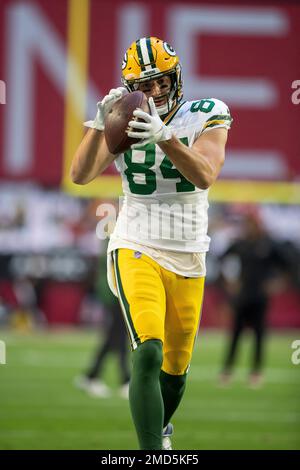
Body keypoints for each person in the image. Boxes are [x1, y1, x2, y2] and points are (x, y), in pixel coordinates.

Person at [71, 36, 232, 450]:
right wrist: (97, 126)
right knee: (147, 351)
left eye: (162, 81)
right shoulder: (126, 116)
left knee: (176, 372)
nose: (156, 90)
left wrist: (165, 136)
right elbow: (81, 175)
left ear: (175, 76)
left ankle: (159, 432)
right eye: (147, 83)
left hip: (189, 249)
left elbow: (205, 174)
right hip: (135, 241)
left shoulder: (206, 113)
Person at [219, 209, 290, 388]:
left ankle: (256, 372)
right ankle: (228, 370)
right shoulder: (241, 244)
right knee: (235, 334)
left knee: (259, 335)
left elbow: (287, 264)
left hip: (260, 297)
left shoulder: (268, 244)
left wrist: (278, 282)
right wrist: (229, 281)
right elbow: (222, 259)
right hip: (242, 297)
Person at [75, 253, 130, 398]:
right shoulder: (116, 235)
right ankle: (125, 380)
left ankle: (91, 376)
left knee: (114, 336)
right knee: (119, 334)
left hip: (114, 289)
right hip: (115, 290)